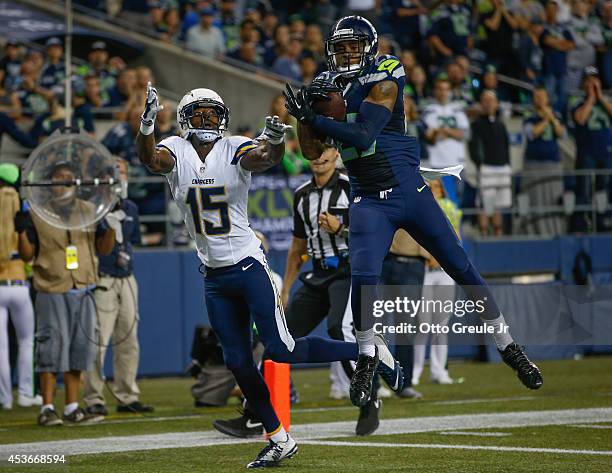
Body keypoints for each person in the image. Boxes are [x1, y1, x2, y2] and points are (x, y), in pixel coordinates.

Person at [135, 83, 403, 468]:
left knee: (282, 349)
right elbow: (151, 160)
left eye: (213, 113)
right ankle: (279, 438)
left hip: (246, 265)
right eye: (200, 114)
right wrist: (146, 126)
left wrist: (276, 139)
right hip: (213, 275)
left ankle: (370, 350)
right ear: (184, 121)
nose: (208, 120)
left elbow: (263, 156)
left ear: (224, 118)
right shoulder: (175, 149)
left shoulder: (234, 146)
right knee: (238, 362)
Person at [284, 15, 543, 410]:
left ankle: (508, 345)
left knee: (461, 265)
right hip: (369, 197)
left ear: (369, 47)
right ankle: (368, 356)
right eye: (341, 48)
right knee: (364, 275)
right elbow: (311, 151)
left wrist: (315, 117)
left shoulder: (387, 71)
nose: (348, 54)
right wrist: (305, 120)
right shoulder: (328, 85)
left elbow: (365, 133)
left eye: (355, 46)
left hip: (410, 188)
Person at [15, 161, 116, 426]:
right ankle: (47, 407)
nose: (64, 183)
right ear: (49, 183)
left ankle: (72, 406)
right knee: (51, 347)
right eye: (58, 178)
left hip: (83, 286)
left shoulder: (90, 210)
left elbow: (104, 249)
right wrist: (21, 229)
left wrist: (112, 225)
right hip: (52, 285)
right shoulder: (39, 213)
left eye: (69, 178)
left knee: (78, 350)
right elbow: (27, 254)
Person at [83, 159, 153, 416]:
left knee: (129, 339)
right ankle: (94, 398)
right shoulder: (93, 207)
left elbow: (132, 241)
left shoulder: (131, 206)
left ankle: (127, 395)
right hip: (103, 277)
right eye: (113, 172)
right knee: (99, 340)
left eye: (122, 171)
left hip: (127, 277)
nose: (118, 176)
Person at [412, 179, 461, 385]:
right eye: (429, 187)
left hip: (443, 272)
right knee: (422, 325)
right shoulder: (417, 209)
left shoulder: (449, 209)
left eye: (436, 187)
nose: (433, 190)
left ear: (442, 191)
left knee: (441, 325)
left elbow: (456, 237)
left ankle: (439, 371)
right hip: (424, 271)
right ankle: (414, 372)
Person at [0, 164, 40, 410]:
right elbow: (27, 257)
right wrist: (22, 229)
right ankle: (25, 393)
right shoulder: (21, 218)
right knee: (26, 342)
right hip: (18, 286)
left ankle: (4, 398)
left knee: (2, 346)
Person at [569, 67, 612, 232]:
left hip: (606, 153)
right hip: (586, 154)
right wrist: (591, 99)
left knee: (604, 192)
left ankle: (602, 223)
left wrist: (600, 97)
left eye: (595, 79)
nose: (592, 83)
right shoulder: (576, 101)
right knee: (584, 191)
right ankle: (581, 225)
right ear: (583, 83)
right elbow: (580, 118)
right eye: (588, 80)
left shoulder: (606, 101)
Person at [521, 86, 566, 234]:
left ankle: (555, 230)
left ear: (547, 99)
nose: (540, 100)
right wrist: (546, 119)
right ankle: (533, 230)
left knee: (553, 198)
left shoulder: (556, 117)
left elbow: (562, 135)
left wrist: (552, 118)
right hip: (533, 165)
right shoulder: (529, 118)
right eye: (537, 97)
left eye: (542, 97)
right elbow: (531, 134)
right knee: (535, 199)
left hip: (552, 164)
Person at [422, 75, 470, 205]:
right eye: (440, 89)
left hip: (458, 163)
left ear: (450, 91)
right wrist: (453, 132)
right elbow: (430, 137)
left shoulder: (458, 109)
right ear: (435, 91)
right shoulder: (429, 110)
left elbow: (465, 134)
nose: (443, 92)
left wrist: (443, 130)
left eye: (446, 89)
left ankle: (456, 227)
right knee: (441, 204)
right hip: (438, 164)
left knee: (457, 204)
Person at [469, 90, 512, 236]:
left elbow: (506, 146)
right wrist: (480, 164)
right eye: (485, 101)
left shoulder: (501, 124)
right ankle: (484, 234)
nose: (488, 104)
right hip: (486, 168)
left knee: (499, 205)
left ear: (497, 104)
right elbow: (473, 147)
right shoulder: (477, 124)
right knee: (485, 204)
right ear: (481, 104)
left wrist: (508, 165)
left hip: (503, 168)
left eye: (491, 101)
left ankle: (498, 235)